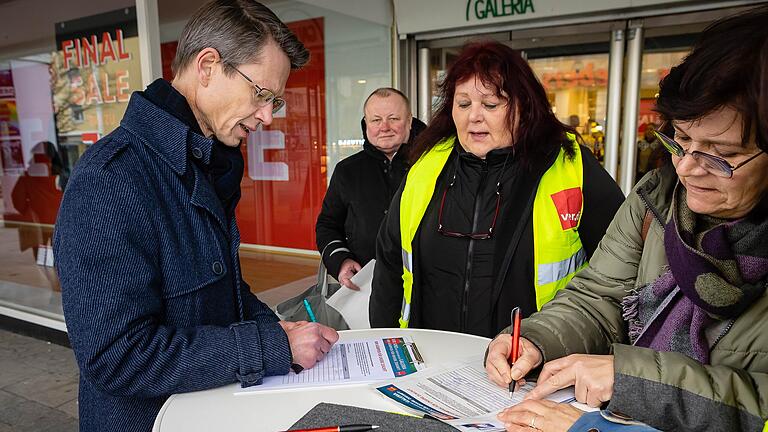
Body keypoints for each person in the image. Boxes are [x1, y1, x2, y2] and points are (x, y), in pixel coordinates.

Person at [53, 2, 339, 431]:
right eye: (262, 94)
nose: (266, 116)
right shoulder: (112, 178)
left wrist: (278, 328)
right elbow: (116, 356)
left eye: (274, 101)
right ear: (207, 66)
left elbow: (218, 286)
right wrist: (268, 347)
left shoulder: (207, 162)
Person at [484, 6, 768, 432]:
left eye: (721, 154)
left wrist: (632, 378)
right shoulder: (656, 198)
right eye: (681, 139)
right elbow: (599, 298)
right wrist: (536, 339)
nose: (688, 167)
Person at [369, 41, 624, 338]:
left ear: (524, 107)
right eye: (463, 104)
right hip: (430, 362)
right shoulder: (427, 166)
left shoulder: (569, 167)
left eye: (490, 105)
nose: (474, 116)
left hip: (531, 368)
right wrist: (385, 341)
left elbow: (618, 271)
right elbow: (389, 261)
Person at [315, 88, 425, 289]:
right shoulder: (347, 171)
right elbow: (328, 225)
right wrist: (341, 261)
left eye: (393, 118)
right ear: (366, 124)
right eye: (376, 120)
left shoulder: (433, 164)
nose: (384, 127)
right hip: (365, 286)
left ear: (409, 121)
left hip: (426, 285)